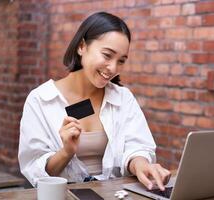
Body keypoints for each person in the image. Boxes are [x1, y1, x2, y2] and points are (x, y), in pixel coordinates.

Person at [18, 11, 171, 190]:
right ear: (82, 46)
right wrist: (66, 152)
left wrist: (140, 164)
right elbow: (35, 171)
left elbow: (136, 146)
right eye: (107, 55)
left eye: (121, 61)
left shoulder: (123, 98)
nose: (113, 68)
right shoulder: (40, 100)